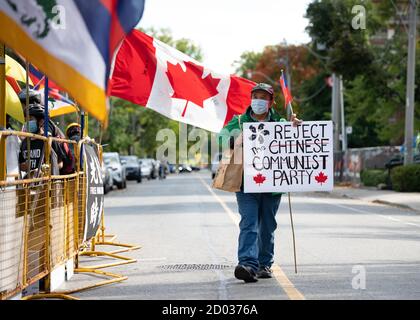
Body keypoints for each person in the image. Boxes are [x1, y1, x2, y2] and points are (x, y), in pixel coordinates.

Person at [218, 83, 302, 283]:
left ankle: (265, 265)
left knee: (267, 226)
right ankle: (247, 264)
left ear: (271, 101)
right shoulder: (239, 122)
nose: (258, 100)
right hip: (246, 184)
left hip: (273, 186)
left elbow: (297, 139)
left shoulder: (281, 122)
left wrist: (296, 127)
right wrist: (235, 140)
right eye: (255, 96)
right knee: (249, 223)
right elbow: (221, 137)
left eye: (263, 97)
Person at [19, 104, 66, 177]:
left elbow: (60, 164)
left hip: (46, 185)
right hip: (28, 185)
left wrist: (45, 171)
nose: (27, 123)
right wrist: (23, 166)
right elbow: (20, 163)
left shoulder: (49, 140)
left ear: (41, 122)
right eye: (26, 120)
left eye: (30, 119)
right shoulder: (24, 142)